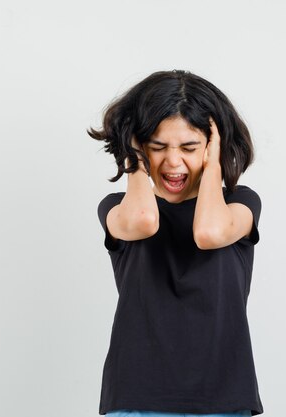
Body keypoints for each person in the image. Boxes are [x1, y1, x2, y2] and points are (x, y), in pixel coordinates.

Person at [87, 70, 264, 417]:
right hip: (137, 397)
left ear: (213, 148)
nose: (172, 161)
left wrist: (214, 167)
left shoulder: (239, 205)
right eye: (157, 147)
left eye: (189, 147)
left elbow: (209, 233)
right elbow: (144, 221)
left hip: (223, 397)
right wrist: (132, 155)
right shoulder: (117, 209)